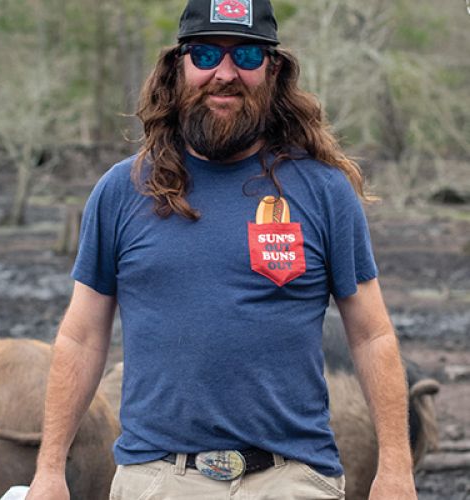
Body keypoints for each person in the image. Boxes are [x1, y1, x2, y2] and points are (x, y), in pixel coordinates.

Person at [27, 0, 417, 498]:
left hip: (291, 479)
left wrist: (396, 469)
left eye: (247, 56)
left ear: (273, 70)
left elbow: (371, 336)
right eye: (206, 54)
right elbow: (81, 337)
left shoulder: (324, 191)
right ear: (178, 66)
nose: (225, 73)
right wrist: (49, 470)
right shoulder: (122, 191)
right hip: (157, 480)